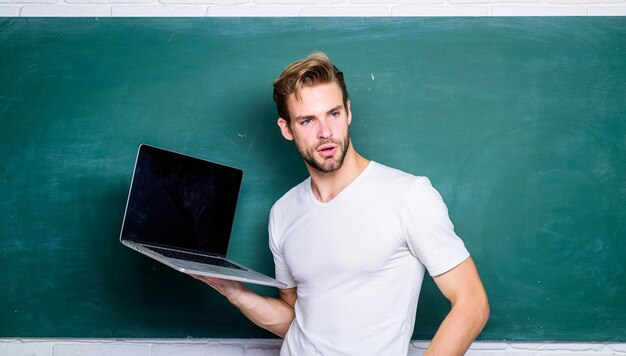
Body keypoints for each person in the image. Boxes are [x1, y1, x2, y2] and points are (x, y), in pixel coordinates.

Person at [194, 52, 489, 355]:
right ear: (286, 128)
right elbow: (298, 321)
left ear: (348, 112)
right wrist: (233, 291)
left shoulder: (409, 196)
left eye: (333, 114)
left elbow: (472, 303)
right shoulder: (283, 212)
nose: (325, 132)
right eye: (307, 120)